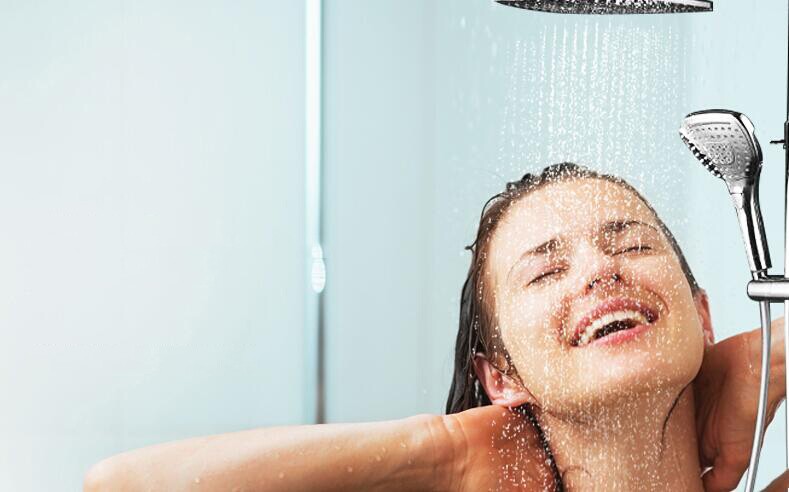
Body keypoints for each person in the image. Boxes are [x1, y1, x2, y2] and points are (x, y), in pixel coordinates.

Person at [84, 163, 788, 491]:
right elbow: (124, 485)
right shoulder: (455, 457)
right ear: (501, 377)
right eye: (546, 272)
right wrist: (447, 449)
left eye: (630, 244)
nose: (600, 272)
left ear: (702, 316)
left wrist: (772, 353)